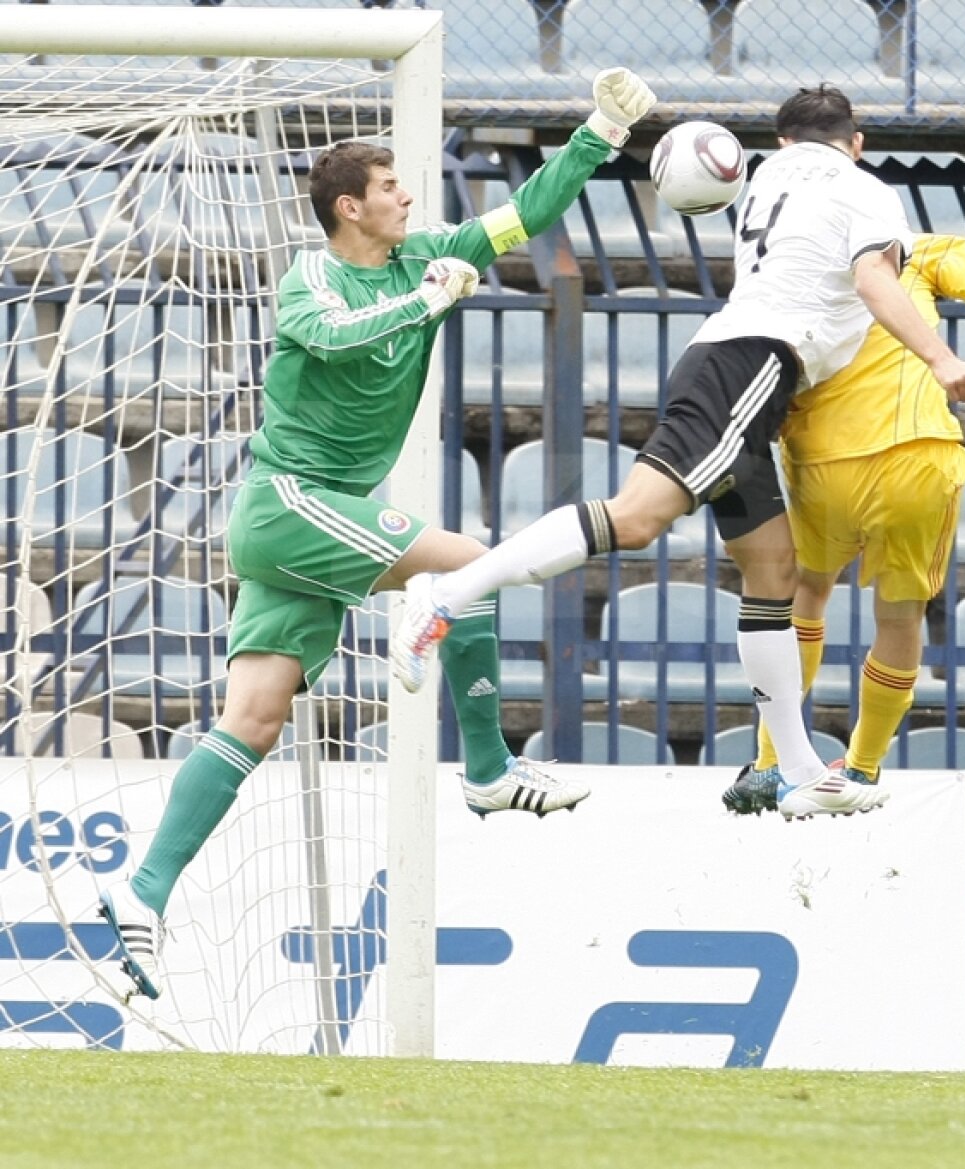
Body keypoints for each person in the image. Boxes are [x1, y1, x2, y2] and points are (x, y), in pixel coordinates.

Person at [97, 66, 659, 1001]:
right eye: (394, 188)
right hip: (291, 503)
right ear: (351, 208)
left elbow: (522, 214)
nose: (410, 197)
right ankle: (484, 770)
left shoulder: (423, 251)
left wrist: (599, 132)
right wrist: (427, 303)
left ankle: (142, 889)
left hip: (316, 524)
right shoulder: (312, 277)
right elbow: (341, 338)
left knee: (256, 717)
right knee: (474, 562)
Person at [392, 85, 965, 824]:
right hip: (754, 363)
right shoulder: (864, 190)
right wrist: (937, 355)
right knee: (638, 518)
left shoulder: (770, 177)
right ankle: (450, 593)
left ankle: (802, 770)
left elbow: (732, 184)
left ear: (783, 143)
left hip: (740, 360)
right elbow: (873, 279)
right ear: (856, 141)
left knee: (774, 570)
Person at [722, 232, 965, 815]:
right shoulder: (918, 251)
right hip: (916, 456)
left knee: (804, 595)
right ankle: (861, 766)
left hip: (822, 458)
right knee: (900, 612)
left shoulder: (792, 261)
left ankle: (770, 763)